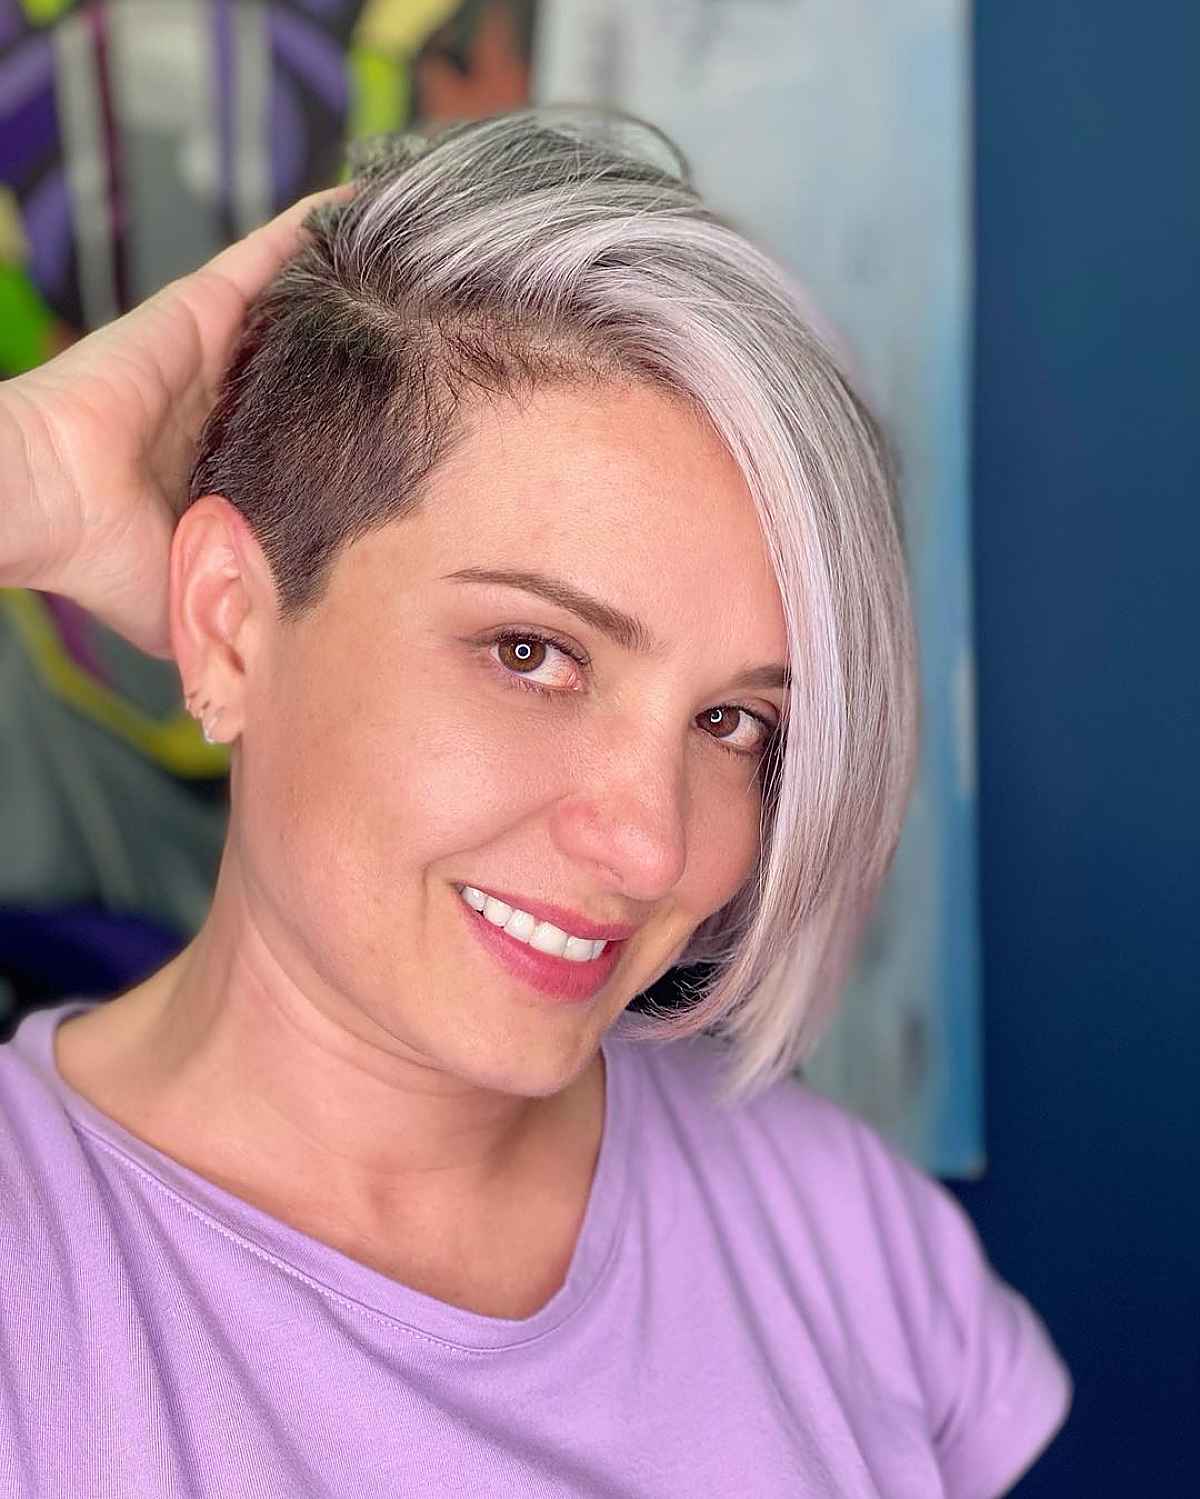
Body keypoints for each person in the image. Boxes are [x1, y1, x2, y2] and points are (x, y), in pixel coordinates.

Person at [0, 109, 1071, 1496]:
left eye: (735, 722)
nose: (652, 846)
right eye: (533, 654)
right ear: (228, 624)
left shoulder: (840, 1230)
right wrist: (27, 471)